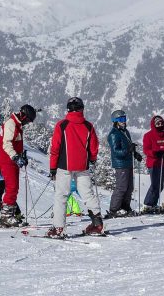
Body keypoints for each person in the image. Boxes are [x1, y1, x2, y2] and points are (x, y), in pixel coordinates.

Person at [46, 97, 103, 238]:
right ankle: (97, 224)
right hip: (82, 166)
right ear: (82, 109)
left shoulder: (62, 125)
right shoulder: (88, 126)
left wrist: (53, 167)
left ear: (68, 109)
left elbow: (55, 148)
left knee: (61, 196)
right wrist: (92, 159)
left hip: (64, 166)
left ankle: (58, 228)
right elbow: (94, 147)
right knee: (87, 194)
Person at [0, 104, 36, 227]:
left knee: (14, 188)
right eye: (27, 120)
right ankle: (6, 217)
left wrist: (21, 156)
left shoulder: (17, 124)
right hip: (7, 160)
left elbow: (15, 144)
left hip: (11, 160)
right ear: (23, 115)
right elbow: (6, 144)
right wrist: (15, 156)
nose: (27, 123)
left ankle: (9, 215)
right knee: (12, 187)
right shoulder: (11, 124)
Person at [106, 109, 142, 218]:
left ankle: (125, 207)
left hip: (128, 163)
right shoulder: (113, 134)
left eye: (124, 119)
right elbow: (116, 151)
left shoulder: (125, 132)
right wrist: (128, 150)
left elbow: (129, 146)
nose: (123, 121)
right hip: (120, 164)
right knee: (121, 187)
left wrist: (135, 153)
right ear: (115, 121)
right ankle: (114, 209)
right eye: (121, 119)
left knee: (129, 187)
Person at [142, 115, 164, 213]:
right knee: (154, 185)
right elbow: (146, 150)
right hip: (153, 163)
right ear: (154, 124)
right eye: (157, 123)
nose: (159, 125)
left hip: (162, 163)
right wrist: (155, 153)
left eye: (161, 123)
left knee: (160, 185)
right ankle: (148, 204)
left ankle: (153, 204)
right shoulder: (148, 135)